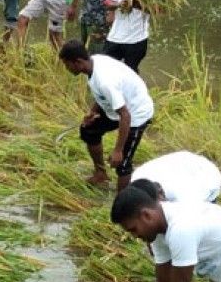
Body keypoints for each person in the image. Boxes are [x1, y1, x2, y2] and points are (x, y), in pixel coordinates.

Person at [58, 41, 153, 190]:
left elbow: (125, 116)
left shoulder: (105, 81)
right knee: (89, 130)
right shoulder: (92, 64)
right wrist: (92, 112)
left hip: (135, 113)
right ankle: (100, 174)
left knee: (122, 164)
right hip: (119, 106)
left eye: (67, 64)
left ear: (78, 62)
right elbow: (102, 96)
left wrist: (118, 150)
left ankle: (121, 204)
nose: (66, 68)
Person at [131, 151, 221, 203]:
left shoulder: (188, 197)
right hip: (180, 163)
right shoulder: (137, 179)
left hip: (207, 177)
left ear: (161, 194)